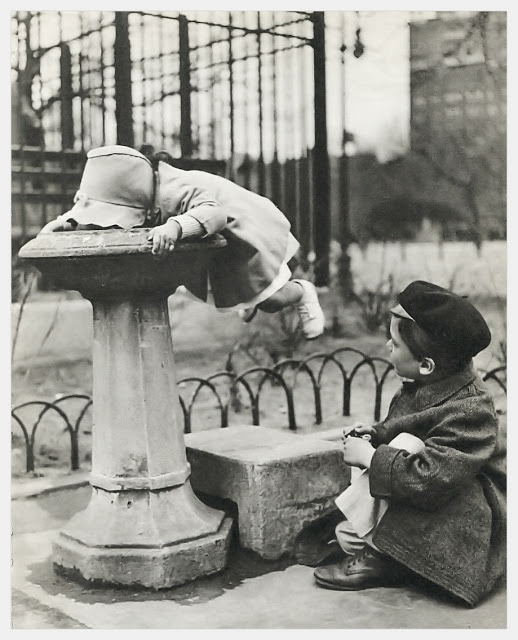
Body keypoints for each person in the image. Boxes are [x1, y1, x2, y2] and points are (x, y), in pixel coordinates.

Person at [311, 280, 506, 608]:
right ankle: (382, 545)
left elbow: (433, 475)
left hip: (466, 511)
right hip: (426, 492)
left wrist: (373, 458)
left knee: (402, 450)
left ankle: (383, 557)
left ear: (426, 364)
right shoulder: (428, 382)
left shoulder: (471, 408)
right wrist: (375, 435)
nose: (387, 345)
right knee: (349, 527)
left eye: (395, 342)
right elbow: (405, 428)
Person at [39, 145, 325, 339]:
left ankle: (301, 292)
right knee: (239, 284)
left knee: (270, 301)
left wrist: (175, 226)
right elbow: (97, 209)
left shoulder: (177, 189)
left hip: (244, 227)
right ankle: (247, 295)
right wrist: (68, 222)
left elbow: (214, 214)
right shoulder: (143, 193)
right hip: (221, 242)